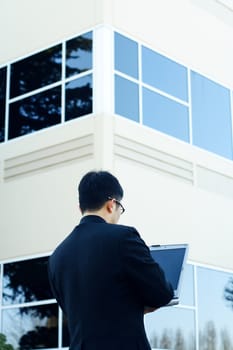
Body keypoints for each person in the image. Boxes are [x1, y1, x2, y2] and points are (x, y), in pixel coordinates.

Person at [48, 170, 173, 350]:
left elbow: (78, 313)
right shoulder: (123, 237)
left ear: (80, 207)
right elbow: (162, 293)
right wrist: (138, 306)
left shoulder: (56, 257)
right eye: (120, 209)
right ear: (111, 204)